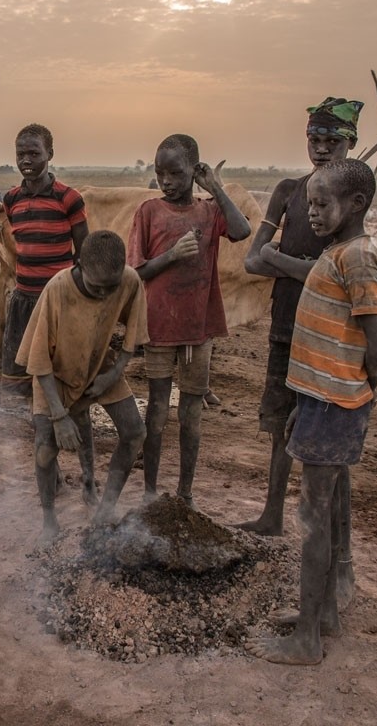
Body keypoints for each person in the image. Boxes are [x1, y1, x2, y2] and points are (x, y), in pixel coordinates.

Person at [246, 158, 377, 666]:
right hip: (320, 402)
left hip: (334, 406)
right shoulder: (338, 253)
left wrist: (353, 397)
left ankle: (306, 638)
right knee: (323, 513)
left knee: (312, 521)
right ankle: (324, 613)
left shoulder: (357, 259)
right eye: (309, 203)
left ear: (356, 205)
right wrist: (312, 401)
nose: (313, 212)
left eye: (322, 203)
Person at [238, 96, 363, 539]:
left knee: (328, 444)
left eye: (332, 139)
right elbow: (252, 262)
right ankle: (272, 514)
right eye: (315, 138)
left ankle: (332, 540)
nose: (322, 147)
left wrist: (284, 261)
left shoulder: (349, 198)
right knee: (278, 426)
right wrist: (299, 265)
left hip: (331, 337)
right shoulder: (289, 192)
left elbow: (333, 272)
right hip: (285, 327)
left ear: (350, 142)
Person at [127, 134, 251, 507]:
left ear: (194, 172)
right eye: (160, 172)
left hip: (199, 329)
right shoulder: (149, 212)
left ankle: (185, 493)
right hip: (159, 328)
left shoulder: (209, 211)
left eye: (176, 173)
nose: (166, 181)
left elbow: (243, 231)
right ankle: (150, 493)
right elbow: (136, 272)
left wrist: (215, 187)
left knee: (192, 415)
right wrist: (172, 255)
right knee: (158, 410)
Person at [16, 230, 148, 543]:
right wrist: (60, 416)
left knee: (134, 433)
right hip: (54, 376)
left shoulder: (129, 280)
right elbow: (38, 362)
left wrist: (114, 373)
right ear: (80, 267)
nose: (104, 295)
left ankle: (105, 507)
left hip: (100, 368)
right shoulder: (58, 289)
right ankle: (49, 518)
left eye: (110, 288)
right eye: (96, 287)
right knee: (46, 450)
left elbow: (134, 333)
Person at [0, 123, 89, 395]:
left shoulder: (69, 198)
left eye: (34, 153)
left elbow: (83, 251)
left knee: (60, 370)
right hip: (23, 300)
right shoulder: (11, 199)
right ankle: (33, 428)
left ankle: (56, 423)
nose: (26, 160)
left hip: (58, 300)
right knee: (20, 378)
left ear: (49, 154)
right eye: (20, 154)